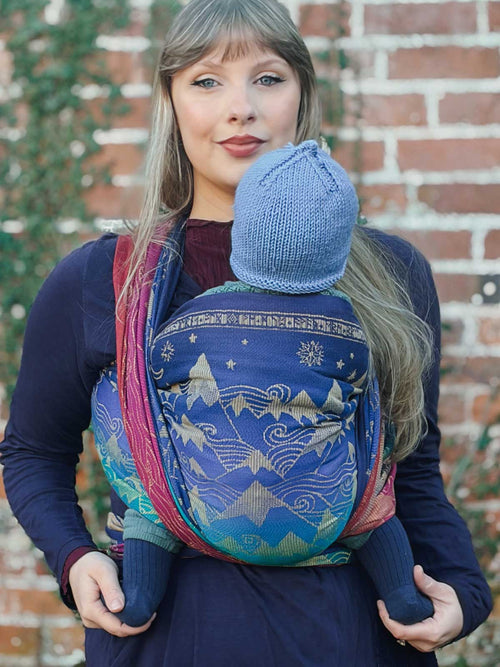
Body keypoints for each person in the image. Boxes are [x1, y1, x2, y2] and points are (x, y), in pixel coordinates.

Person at [0, 0, 492, 665]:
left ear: (303, 94)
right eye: (207, 81)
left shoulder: (392, 272)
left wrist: (461, 592)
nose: (241, 108)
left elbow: (414, 465)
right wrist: (75, 556)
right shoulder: (103, 279)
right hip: (167, 640)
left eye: (268, 78)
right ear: (172, 102)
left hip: (349, 636)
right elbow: (33, 450)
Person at [95, 139, 433, 629]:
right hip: (324, 516)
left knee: (136, 451)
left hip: (205, 509)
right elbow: (359, 393)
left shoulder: (196, 317)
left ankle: (139, 598)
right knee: (374, 506)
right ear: (340, 252)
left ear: (240, 234)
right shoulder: (350, 328)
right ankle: (403, 597)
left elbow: (156, 376)